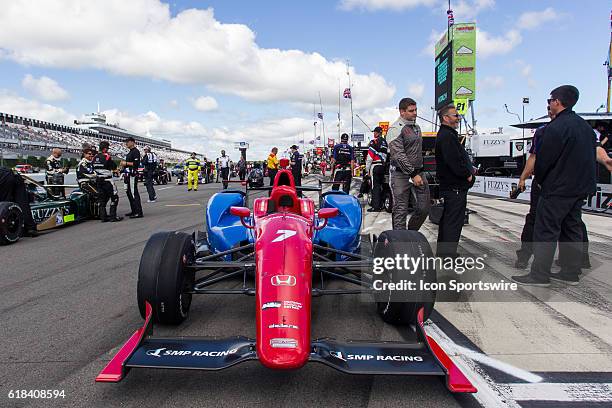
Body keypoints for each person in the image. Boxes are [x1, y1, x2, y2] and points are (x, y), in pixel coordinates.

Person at [512, 85, 596, 286]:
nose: (549, 104)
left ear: (557, 102)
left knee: (546, 231)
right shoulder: (585, 127)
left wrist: (540, 181)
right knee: (572, 228)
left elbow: (543, 161)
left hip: (557, 189)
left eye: (550, 100)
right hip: (579, 189)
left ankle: (539, 275)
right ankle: (570, 272)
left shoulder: (555, 128)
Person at [435, 104, 474, 258]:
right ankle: (448, 255)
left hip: (452, 186)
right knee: (453, 222)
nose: (458, 118)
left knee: (448, 221)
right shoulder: (447, 136)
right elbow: (454, 161)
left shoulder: (447, 134)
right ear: (446, 118)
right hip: (455, 186)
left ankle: (444, 253)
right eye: (455, 115)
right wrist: (467, 174)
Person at [386, 98, 429, 228]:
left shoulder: (417, 127)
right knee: (400, 211)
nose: (415, 113)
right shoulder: (394, 129)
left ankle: (411, 234)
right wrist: (413, 173)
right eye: (411, 111)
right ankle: (400, 244)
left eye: (416, 110)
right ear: (402, 112)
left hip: (419, 172)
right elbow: (399, 155)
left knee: (424, 208)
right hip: (400, 175)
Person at [0, 166, 37, 237]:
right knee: (22, 203)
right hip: (14, 175)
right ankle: (30, 228)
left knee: (3, 206)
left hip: (5, 177)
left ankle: (6, 228)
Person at [93, 141, 123, 222]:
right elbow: (113, 166)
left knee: (102, 200)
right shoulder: (106, 156)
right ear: (105, 149)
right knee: (114, 198)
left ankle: (103, 217)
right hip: (107, 180)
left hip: (99, 181)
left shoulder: (95, 157)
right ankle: (113, 217)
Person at [366, 126, 389, 212]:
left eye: (375, 132)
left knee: (374, 187)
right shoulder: (385, 142)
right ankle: (381, 204)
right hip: (383, 166)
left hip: (375, 166)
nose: (374, 133)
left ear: (378, 133)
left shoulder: (374, 142)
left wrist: (367, 170)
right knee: (381, 185)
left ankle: (376, 207)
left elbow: (370, 157)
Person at [120, 137, 143, 218]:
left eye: (128, 142)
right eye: (126, 142)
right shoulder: (130, 152)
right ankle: (134, 210)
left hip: (132, 175)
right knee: (129, 192)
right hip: (128, 174)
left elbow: (136, 164)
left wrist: (125, 163)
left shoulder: (136, 151)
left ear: (133, 142)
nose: (126, 143)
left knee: (133, 192)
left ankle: (138, 212)